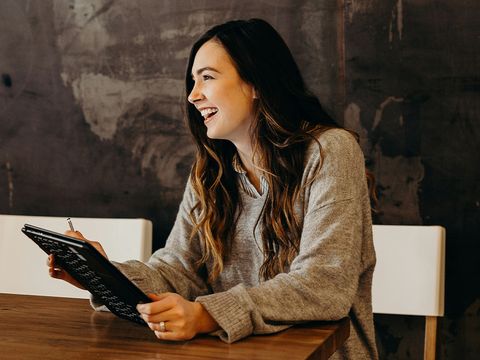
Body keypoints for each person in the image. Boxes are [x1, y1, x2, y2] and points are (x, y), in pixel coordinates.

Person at [48, 18, 378, 359]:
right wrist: (104, 275)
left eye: (207, 77)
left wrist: (206, 315)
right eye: (193, 81)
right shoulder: (211, 172)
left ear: (256, 83)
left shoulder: (330, 152)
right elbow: (177, 271)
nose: (193, 96)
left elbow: (324, 285)